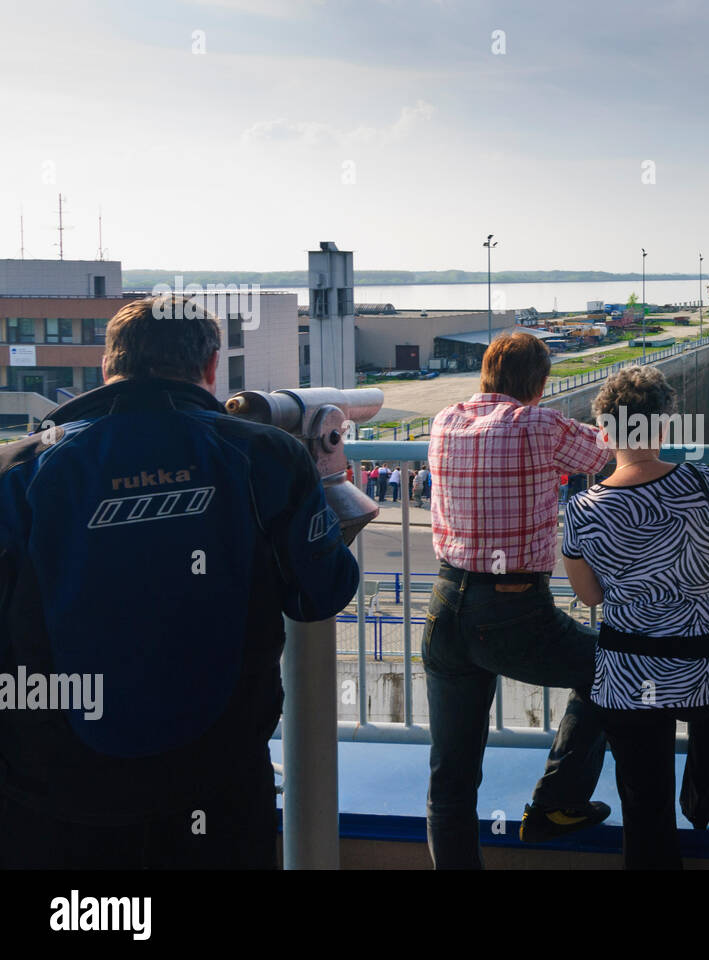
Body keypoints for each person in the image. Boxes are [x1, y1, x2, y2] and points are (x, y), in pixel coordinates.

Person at [0, 295, 359, 868]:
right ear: (212, 366)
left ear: (107, 366)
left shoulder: (19, 469)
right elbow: (323, 592)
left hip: (56, 792)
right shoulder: (264, 455)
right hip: (214, 779)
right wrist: (329, 478)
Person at [424, 332, 614, 869]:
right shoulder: (539, 423)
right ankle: (557, 802)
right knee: (612, 666)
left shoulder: (443, 420)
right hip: (512, 610)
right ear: (540, 382)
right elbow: (603, 450)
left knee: (451, 776)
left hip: (444, 606)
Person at [562, 366, 709, 869]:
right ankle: (705, 792)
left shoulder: (581, 508)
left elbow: (590, 597)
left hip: (630, 675)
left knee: (644, 808)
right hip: (708, 668)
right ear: (663, 427)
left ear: (604, 433)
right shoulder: (699, 479)